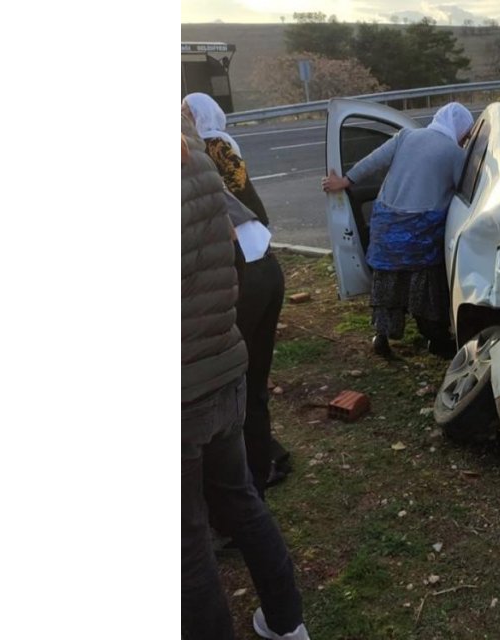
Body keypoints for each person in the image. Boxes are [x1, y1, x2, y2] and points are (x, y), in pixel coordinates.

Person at [182, 114, 310, 640]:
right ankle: (286, 622)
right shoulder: (193, 156)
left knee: (185, 543)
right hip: (222, 367)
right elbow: (235, 259)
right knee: (239, 498)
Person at [184, 92, 291, 495]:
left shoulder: (199, 155)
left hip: (241, 272)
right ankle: (257, 483)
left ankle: (238, 493)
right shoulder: (206, 157)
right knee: (252, 385)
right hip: (263, 262)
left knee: (230, 390)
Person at [322, 102, 474, 359]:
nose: (465, 138)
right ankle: (434, 337)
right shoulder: (455, 154)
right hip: (420, 233)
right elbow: (464, 190)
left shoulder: (406, 136)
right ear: (458, 128)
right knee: (424, 284)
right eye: (466, 133)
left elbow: (375, 160)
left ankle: (381, 336)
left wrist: (345, 181)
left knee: (388, 283)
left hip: (386, 227)